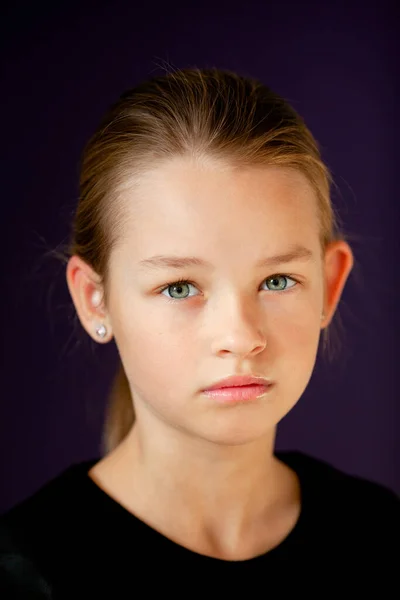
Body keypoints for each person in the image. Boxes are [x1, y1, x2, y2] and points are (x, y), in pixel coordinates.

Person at [0, 66, 398, 597]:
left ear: (329, 285)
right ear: (96, 299)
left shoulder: (383, 537)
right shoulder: (24, 572)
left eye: (277, 280)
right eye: (180, 287)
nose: (240, 337)